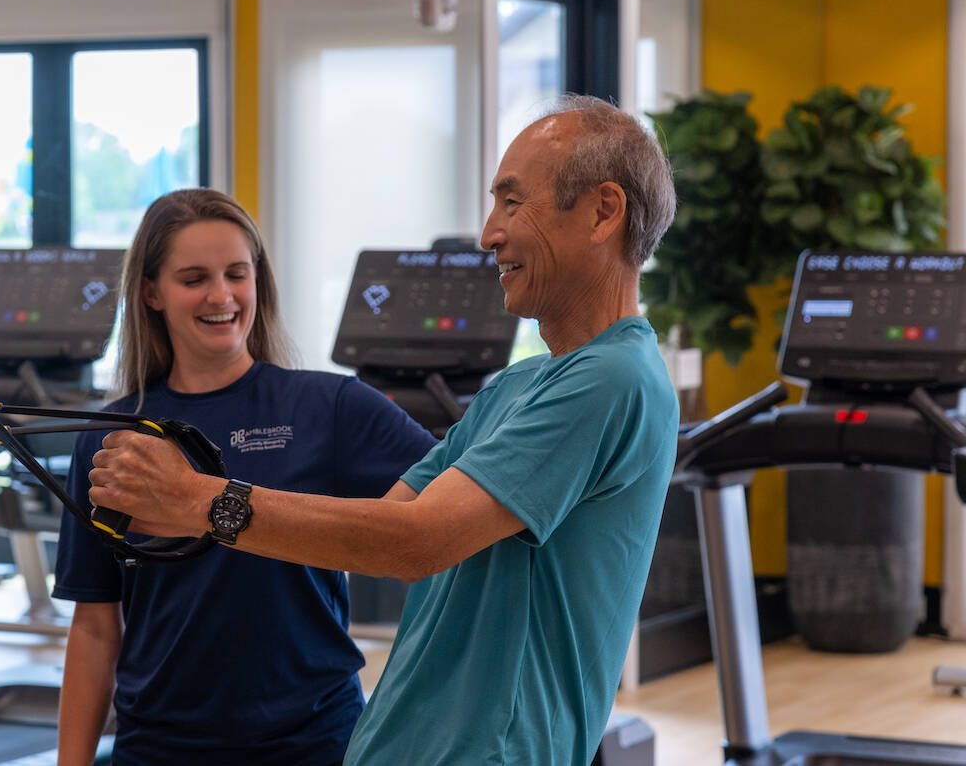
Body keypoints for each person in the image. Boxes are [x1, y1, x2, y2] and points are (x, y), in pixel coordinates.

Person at [87, 95, 680, 765]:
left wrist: (199, 501)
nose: (489, 233)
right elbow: (386, 525)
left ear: (604, 211)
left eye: (513, 204)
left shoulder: (612, 379)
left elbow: (417, 544)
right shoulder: (515, 388)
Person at [52, 188, 437, 766]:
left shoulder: (331, 407)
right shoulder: (114, 438)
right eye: (194, 278)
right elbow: (95, 627)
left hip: (312, 742)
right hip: (159, 747)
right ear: (151, 292)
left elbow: (457, 509)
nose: (222, 295)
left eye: (237, 273)